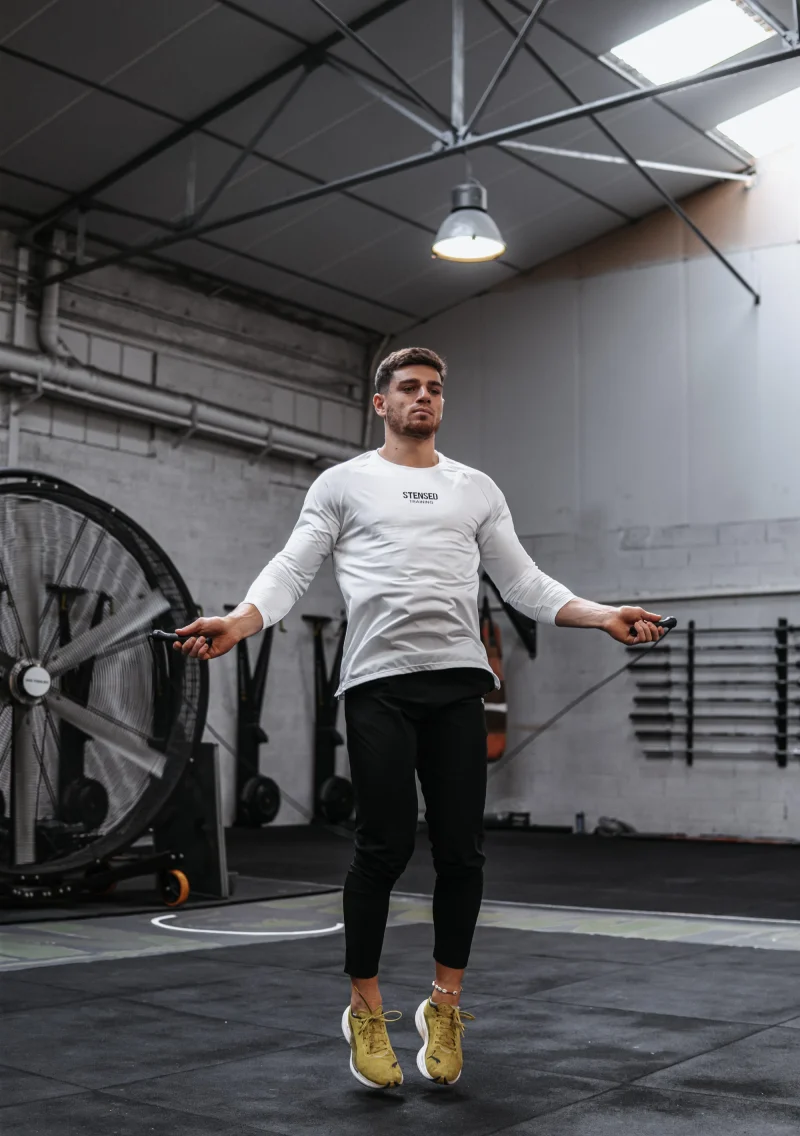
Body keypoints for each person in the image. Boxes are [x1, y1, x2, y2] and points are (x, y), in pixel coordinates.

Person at [174, 346, 666, 1090]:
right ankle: (366, 1010)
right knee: (384, 846)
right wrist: (240, 622)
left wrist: (602, 615)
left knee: (463, 853)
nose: (424, 398)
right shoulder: (343, 484)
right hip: (378, 685)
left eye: (434, 388)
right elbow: (292, 568)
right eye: (409, 388)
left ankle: (445, 1005)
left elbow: (523, 582)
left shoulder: (475, 489)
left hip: (459, 686)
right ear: (381, 403)